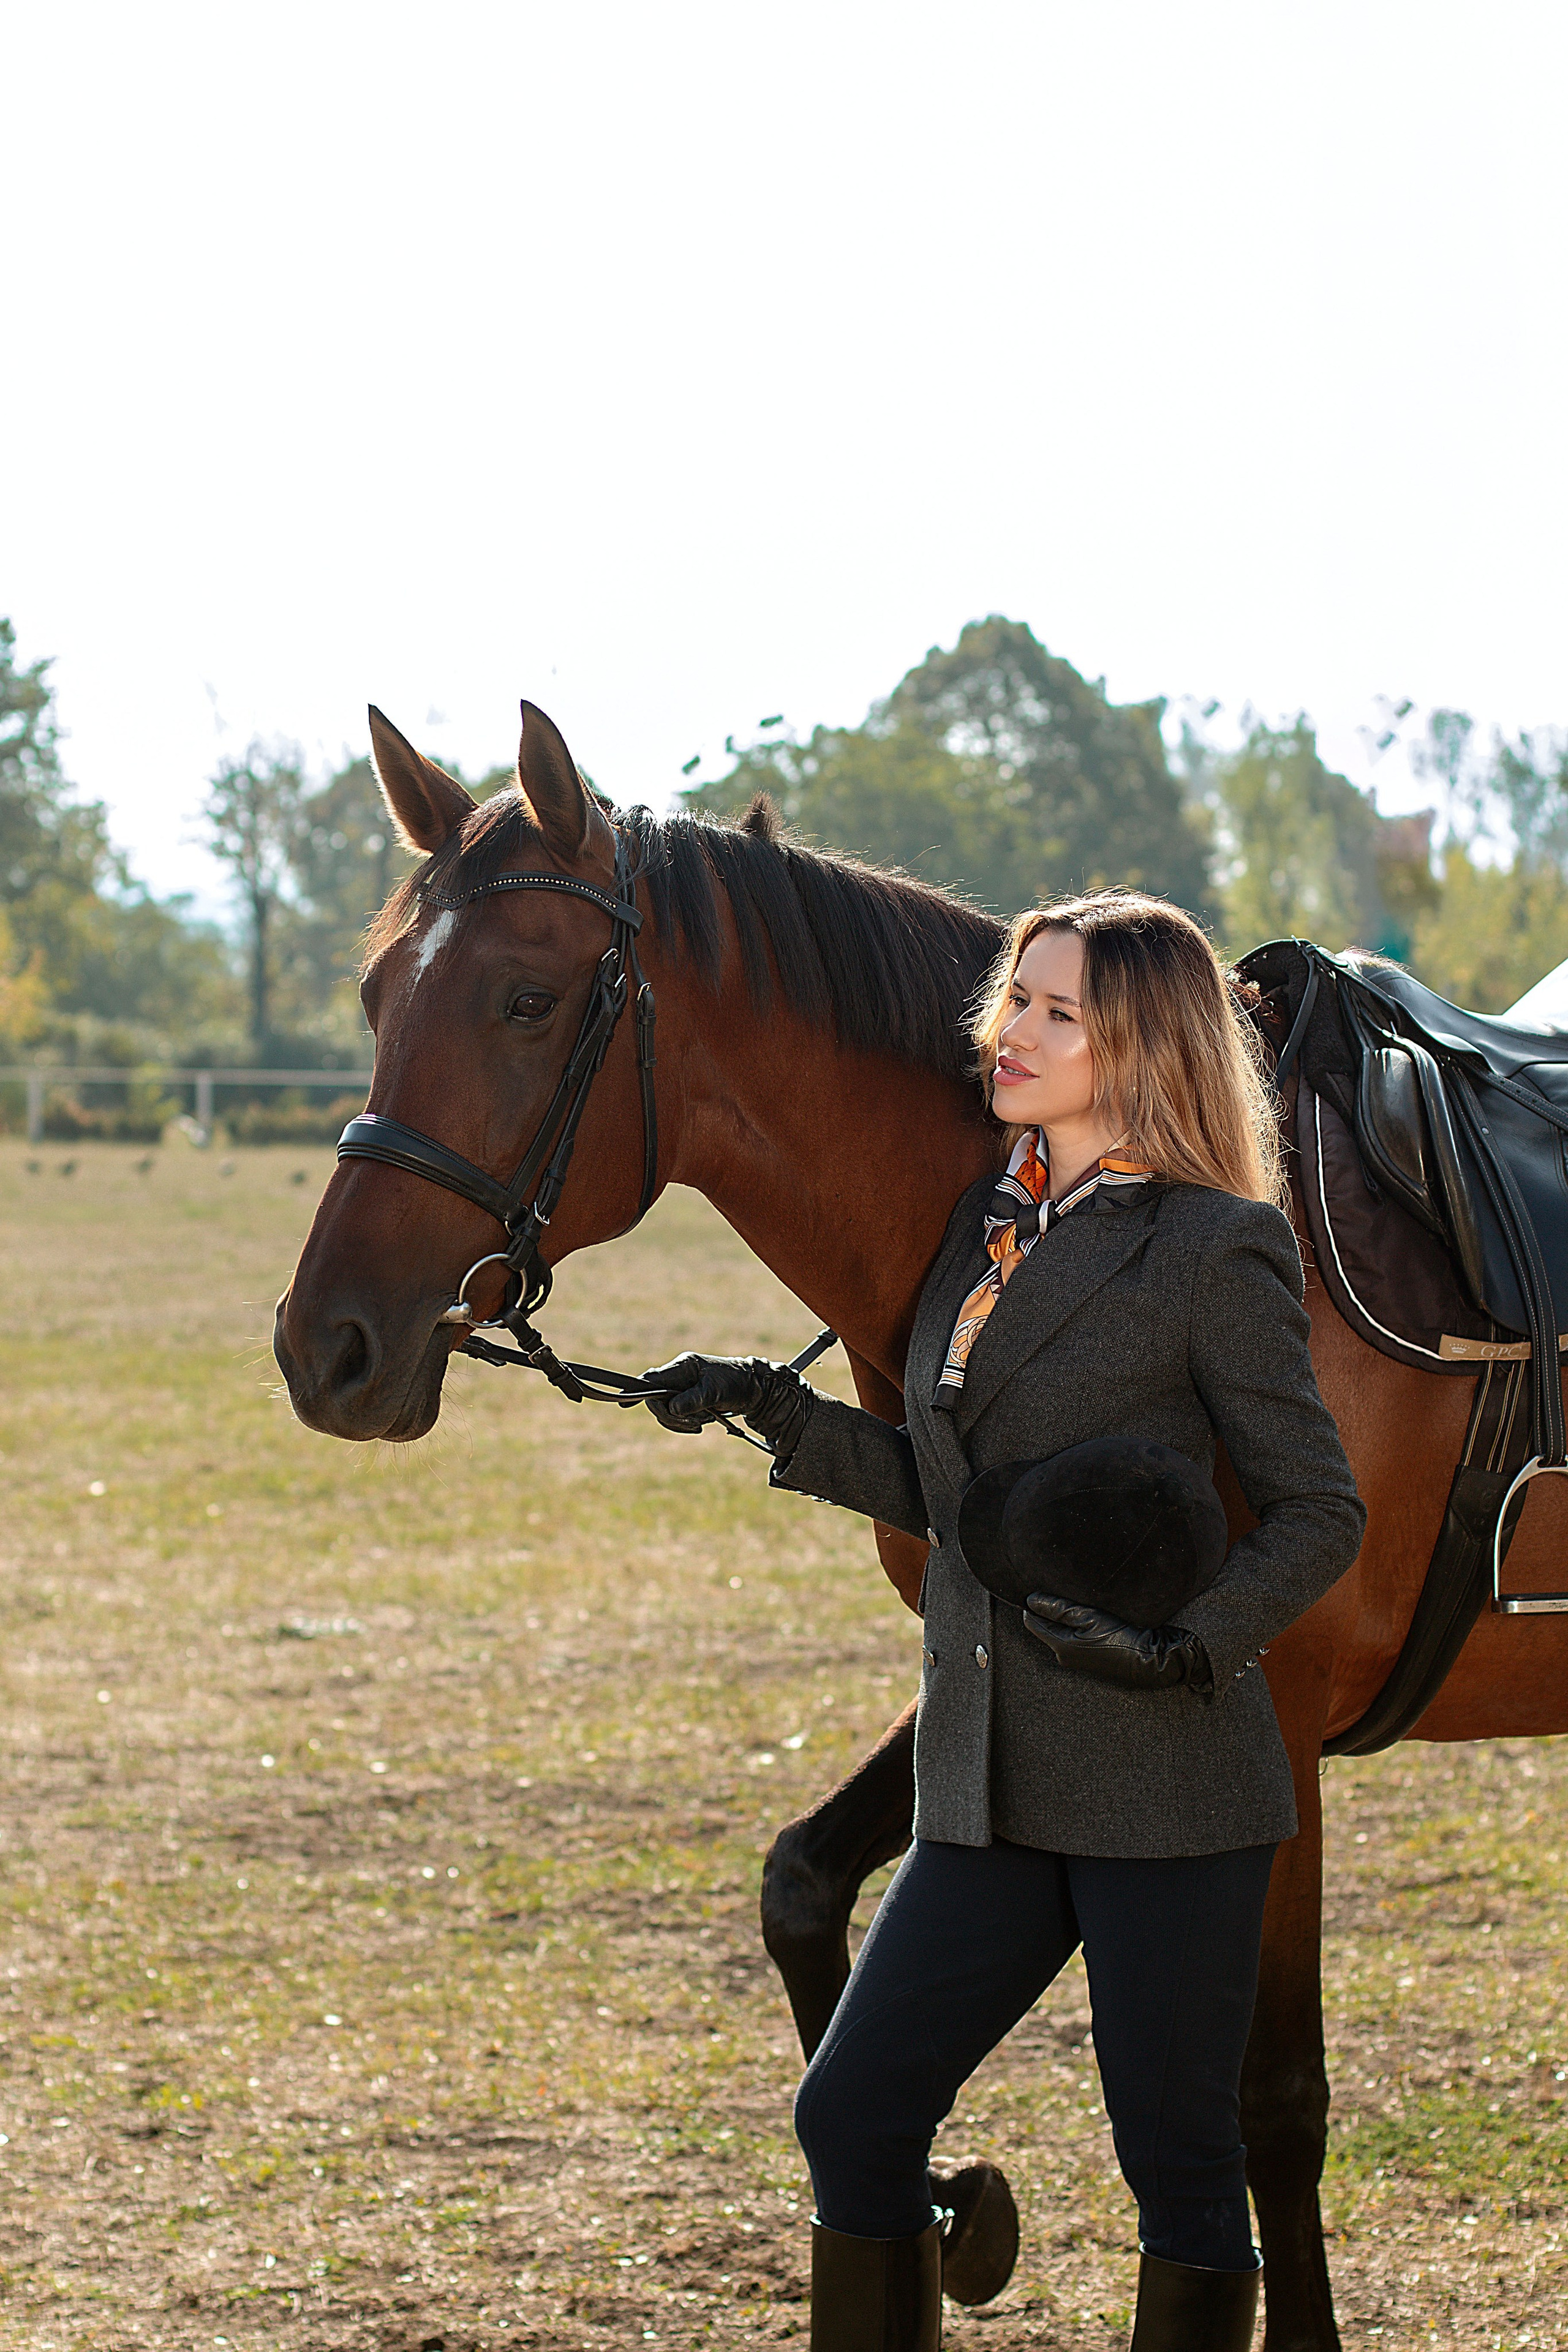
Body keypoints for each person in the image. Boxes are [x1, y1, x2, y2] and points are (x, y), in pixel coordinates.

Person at [641, 891, 1365, 2352]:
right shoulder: (987, 1228)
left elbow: (1316, 1513)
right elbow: (961, 1499)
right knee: (850, 2116)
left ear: (1142, 1045)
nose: (1009, 1031)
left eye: (1054, 1011)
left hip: (1169, 1791)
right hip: (988, 1785)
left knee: (1178, 2174)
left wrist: (1189, 1646)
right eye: (1011, 999)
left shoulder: (1216, 1248)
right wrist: (768, 1411)